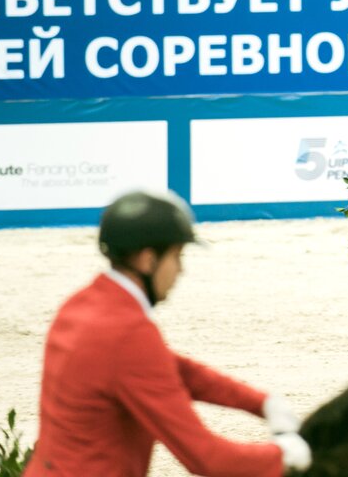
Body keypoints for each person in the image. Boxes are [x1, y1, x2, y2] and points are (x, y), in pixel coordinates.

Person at [24, 190, 311, 477]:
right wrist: (283, 454)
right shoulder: (129, 332)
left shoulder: (81, 304)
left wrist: (261, 402)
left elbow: (173, 370)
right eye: (177, 255)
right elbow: (207, 458)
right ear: (148, 260)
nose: (181, 269)